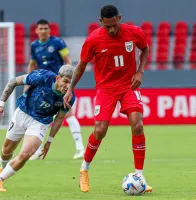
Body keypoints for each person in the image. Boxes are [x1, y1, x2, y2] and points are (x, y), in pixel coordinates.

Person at [63, 5, 152, 193]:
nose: (112, 30)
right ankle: (84, 169)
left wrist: (140, 71)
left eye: (114, 25)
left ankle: (139, 175)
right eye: (107, 26)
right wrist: (70, 89)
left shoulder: (134, 32)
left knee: (138, 125)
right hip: (105, 89)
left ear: (119, 18)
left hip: (129, 85)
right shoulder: (93, 39)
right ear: (100, 21)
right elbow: (80, 66)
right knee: (100, 130)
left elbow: (145, 49)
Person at [0, 65, 75, 192]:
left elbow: (59, 119)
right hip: (22, 112)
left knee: (26, 153)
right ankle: (1, 169)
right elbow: (14, 81)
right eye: (65, 81)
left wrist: (49, 141)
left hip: (40, 122)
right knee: (6, 150)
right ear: (57, 78)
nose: (67, 86)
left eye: (71, 84)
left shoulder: (70, 98)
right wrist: (0, 104)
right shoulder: (42, 77)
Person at [27, 19, 84, 160]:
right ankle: (37, 150)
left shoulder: (58, 42)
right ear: (36, 30)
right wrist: (28, 84)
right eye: (41, 28)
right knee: (40, 115)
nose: (43, 31)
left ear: (49, 30)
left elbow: (67, 60)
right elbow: (32, 64)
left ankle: (80, 147)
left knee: (68, 112)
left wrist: (69, 81)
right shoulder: (34, 46)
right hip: (43, 86)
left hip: (60, 85)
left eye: (46, 28)